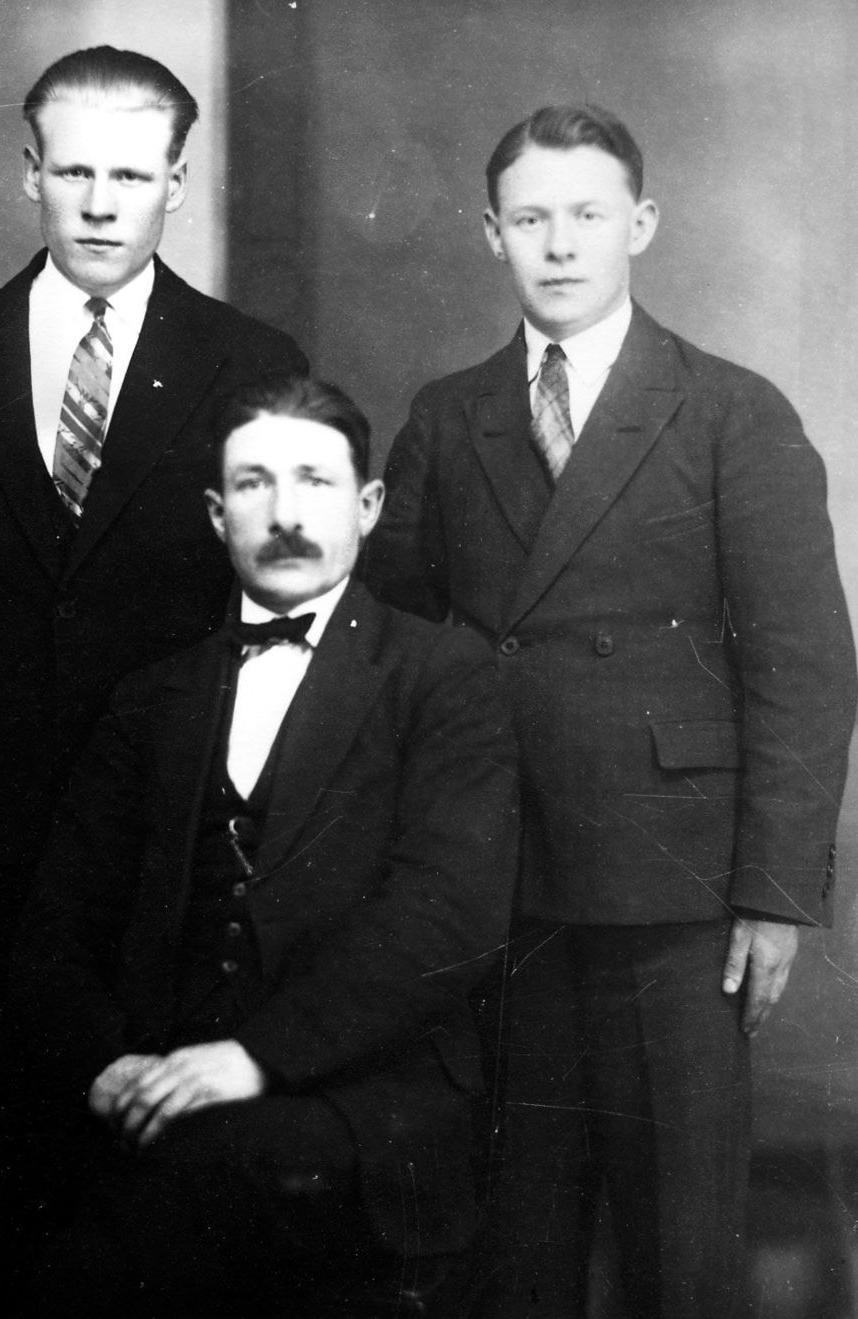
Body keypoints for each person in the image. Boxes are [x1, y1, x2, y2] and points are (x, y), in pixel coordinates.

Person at [364, 104, 857, 1318]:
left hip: (675, 891)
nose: (560, 243)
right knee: (515, 1244)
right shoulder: (447, 415)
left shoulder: (728, 409)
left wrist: (772, 891)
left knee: (679, 1250)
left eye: (587, 214)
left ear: (640, 224)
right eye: (530, 218)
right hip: (501, 880)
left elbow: (802, 661)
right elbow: (394, 648)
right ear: (491, 234)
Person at [0, 45, 305, 1311]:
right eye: (75, 172)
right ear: (28, 173)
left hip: (163, 833)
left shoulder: (246, 362)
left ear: (177, 184)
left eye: (133, 177)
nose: (101, 204)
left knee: (137, 1181)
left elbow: (275, 595)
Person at [11, 375, 520, 1317]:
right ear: (217, 514)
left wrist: (257, 1057)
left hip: (364, 1105)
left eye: (315, 481)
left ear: (369, 505)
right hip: (166, 1091)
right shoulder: (151, 696)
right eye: (254, 484)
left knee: (187, 1200)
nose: (285, 514)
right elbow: (57, 927)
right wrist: (107, 1064)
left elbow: (447, 914)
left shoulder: (443, 676)